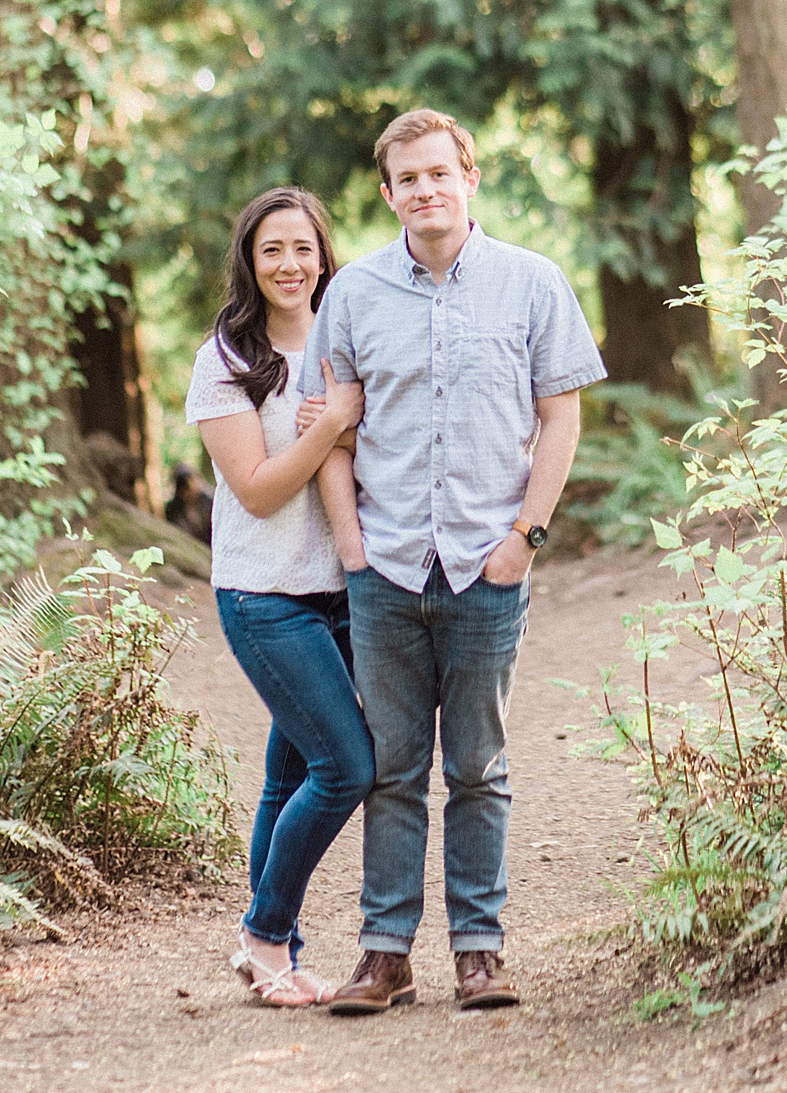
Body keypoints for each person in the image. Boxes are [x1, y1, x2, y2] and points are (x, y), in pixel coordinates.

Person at [307, 109, 606, 1013]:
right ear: (390, 192)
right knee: (391, 765)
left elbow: (561, 415)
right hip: (387, 566)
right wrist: (352, 546)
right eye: (408, 179)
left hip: (487, 564)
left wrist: (527, 537)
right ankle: (385, 954)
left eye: (440, 173)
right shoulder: (351, 294)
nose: (425, 190)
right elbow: (333, 428)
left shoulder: (532, 283)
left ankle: (480, 950)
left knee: (478, 764)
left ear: (468, 177)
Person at [185, 187, 374, 1008]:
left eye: (303, 247)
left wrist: (346, 421)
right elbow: (259, 491)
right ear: (249, 263)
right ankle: (265, 931)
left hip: (346, 591)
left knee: (288, 774)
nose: (290, 264)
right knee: (347, 766)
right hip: (265, 596)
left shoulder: (351, 340)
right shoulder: (225, 357)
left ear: (323, 253)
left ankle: (275, 953)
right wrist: (329, 424)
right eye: (272, 250)